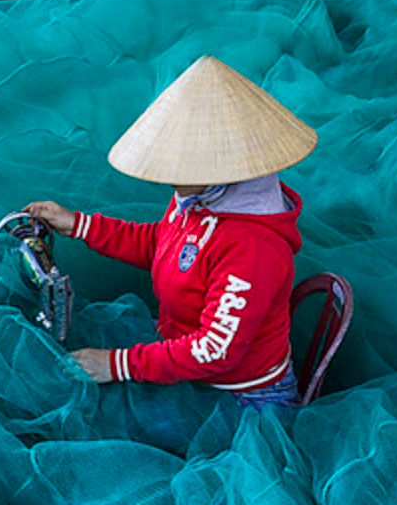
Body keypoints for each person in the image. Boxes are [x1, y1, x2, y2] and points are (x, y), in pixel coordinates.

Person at [25, 55, 316, 409]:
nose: (168, 174)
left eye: (179, 163)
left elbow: (214, 350)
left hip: (239, 395)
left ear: (219, 166)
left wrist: (116, 365)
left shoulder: (253, 248)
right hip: (183, 353)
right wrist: (79, 225)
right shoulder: (200, 195)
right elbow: (162, 243)